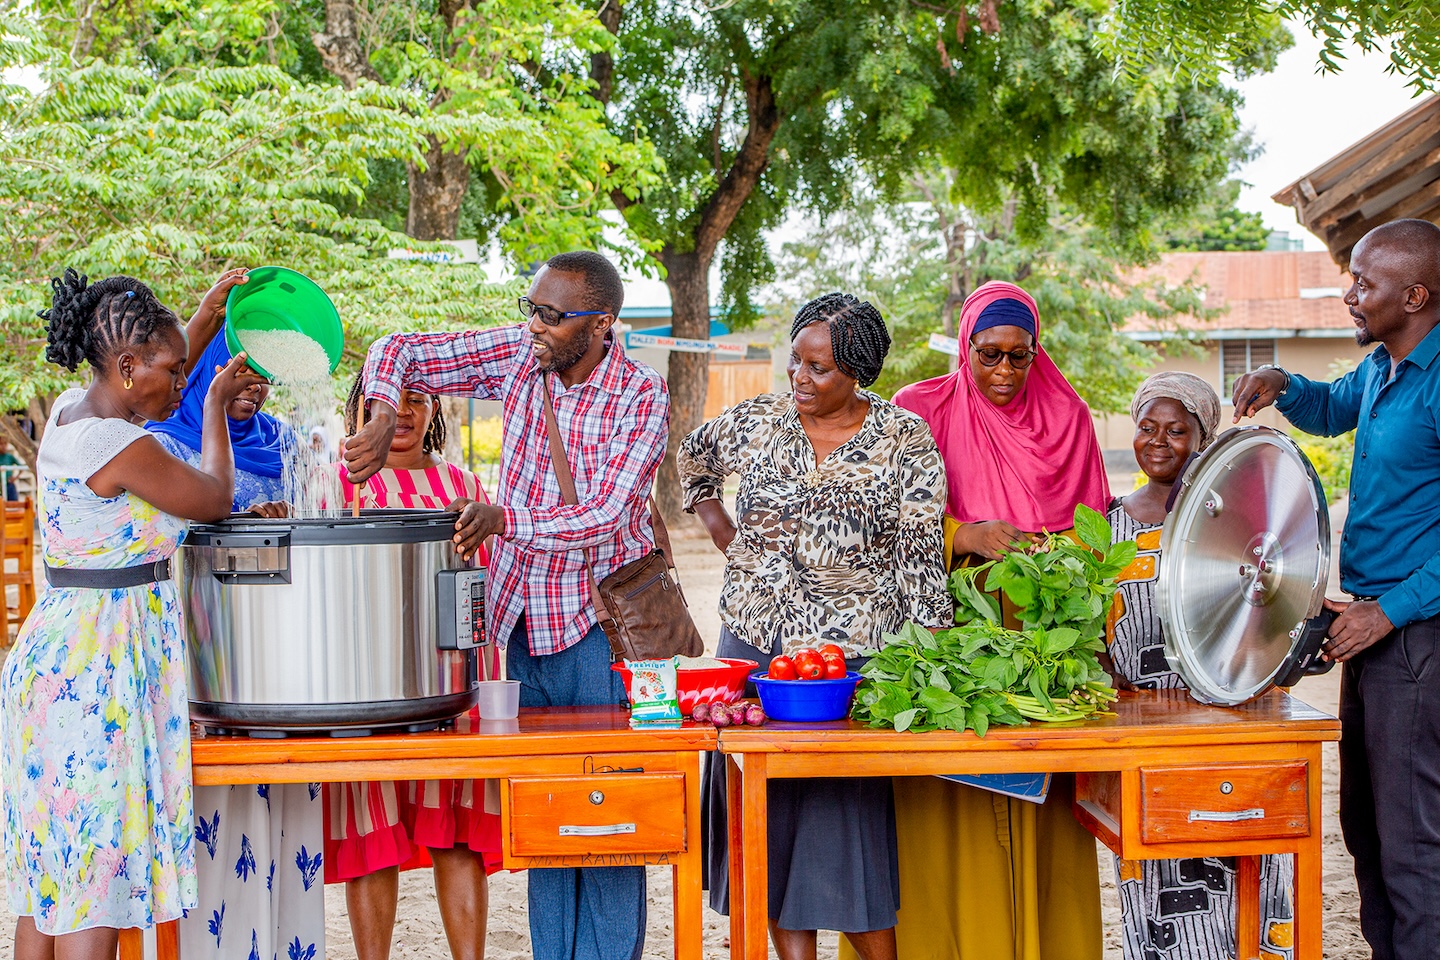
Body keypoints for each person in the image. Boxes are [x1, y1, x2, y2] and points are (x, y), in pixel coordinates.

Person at [344, 250, 668, 960]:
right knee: (549, 822)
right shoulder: (520, 357)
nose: (535, 326)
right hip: (521, 629)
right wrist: (377, 416)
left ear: (602, 323)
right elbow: (402, 348)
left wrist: (504, 518)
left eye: (551, 316)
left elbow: (609, 516)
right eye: (531, 308)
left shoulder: (640, 395)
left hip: (600, 634)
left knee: (609, 822)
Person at [680, 293, 951, 960]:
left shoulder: (904, 440)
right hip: (756, 645)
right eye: (795, 364)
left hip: (845, 663)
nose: (800, 379)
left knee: (845, 826)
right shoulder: (764, 420)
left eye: (819, 369)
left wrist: (932, 656)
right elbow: (695, 455)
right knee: (766, 828)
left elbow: (921, 560)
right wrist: (720, 526)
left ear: (857, 371)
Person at [1, 268, 261, 959]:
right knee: (100, 875)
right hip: (98, 669)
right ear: (126, 367)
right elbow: (212, 498)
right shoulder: (120, 448)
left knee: (54, 874)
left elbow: (163, 357)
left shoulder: (70, 411)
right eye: (173, 372)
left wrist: (206, 314)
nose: (179, 382)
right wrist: (211, 407)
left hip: (59, 656)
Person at [854, 279, 1110, 960]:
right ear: (964, 347)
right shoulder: (918, 410)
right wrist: (962, 537)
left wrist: (1050, 564)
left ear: (1036, 352)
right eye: (988, 354)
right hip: (938, 647)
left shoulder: (1069, 418)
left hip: (1039, 653)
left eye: (1017, 357)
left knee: (1040, 814)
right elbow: (873, 521)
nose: (1002, 372)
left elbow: (1093, 540)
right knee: (938, 809)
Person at [1230, 218, 1440, 960]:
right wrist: (1284, 384)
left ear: (1414, 294)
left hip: (1418, 636)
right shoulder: (1384, 368)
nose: (1349, 295)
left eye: (1365, 284)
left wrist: (1391, 610)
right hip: (1374, 631)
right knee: (1370, 830)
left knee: (1415, 847)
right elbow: (1331, 408)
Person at [140, 280, 327, 960]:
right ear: (212, 366)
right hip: (202, 665)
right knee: (215, 831)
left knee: (285, 825)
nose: (253, 385)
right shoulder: (162, 444)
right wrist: (237, 523)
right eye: (238, 367)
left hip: (282, 671)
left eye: (263, 373)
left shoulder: (284, 443)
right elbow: (165, 538)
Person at [1106, 371, 1294, 960]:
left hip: (1225, 723)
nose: (1159, 441)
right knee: (1155, 868)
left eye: (1178, 430)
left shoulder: (1234, 520)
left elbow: (1271, 611)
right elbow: (1093, 630)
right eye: (1147, 428)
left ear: (1204, 436)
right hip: (1143, 736)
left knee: (1239, 861)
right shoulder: (1106, 526)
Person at [327, 374, 500, 960]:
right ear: (359, 412)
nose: (402, 414)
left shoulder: (463, 484)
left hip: (447, 683)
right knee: (373, 836)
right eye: (385, 404)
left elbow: (488, 589)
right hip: (362, 685)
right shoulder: (338, 483)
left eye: (417, 402)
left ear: (434, 410)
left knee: (454, 835)